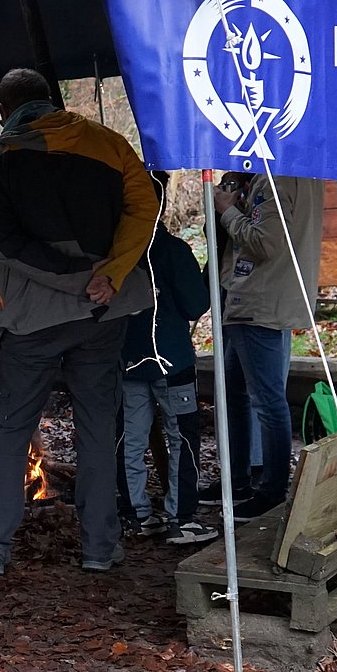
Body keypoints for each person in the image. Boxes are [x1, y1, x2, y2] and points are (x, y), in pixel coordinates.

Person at [0, 68, 157, 576]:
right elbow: (144, 208)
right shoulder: (109, 143)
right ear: (52, 100)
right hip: (104, 311)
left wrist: (75, 281)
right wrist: (109, 274)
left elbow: (5, 244)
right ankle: (99, 546)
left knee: (12, 428)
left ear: (4, 110)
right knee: (97, 427)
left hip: (32, 316)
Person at [115, 171, 219, 546]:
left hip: (128, 358)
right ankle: (182, 518)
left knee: (129, 439)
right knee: (182, 438)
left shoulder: (114, 251)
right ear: (159, 204)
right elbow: (195, 304)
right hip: (172, 360)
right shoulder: (173, 250)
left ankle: (136, 514)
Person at [212, 172, 323, 521]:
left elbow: (265, 243)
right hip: (260, 298)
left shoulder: (275, 179)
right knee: (234, 394)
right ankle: (237, 481)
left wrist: (227, 210)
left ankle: (272, 490)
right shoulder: (303, 172)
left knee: (267, 400)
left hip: (259, 302)